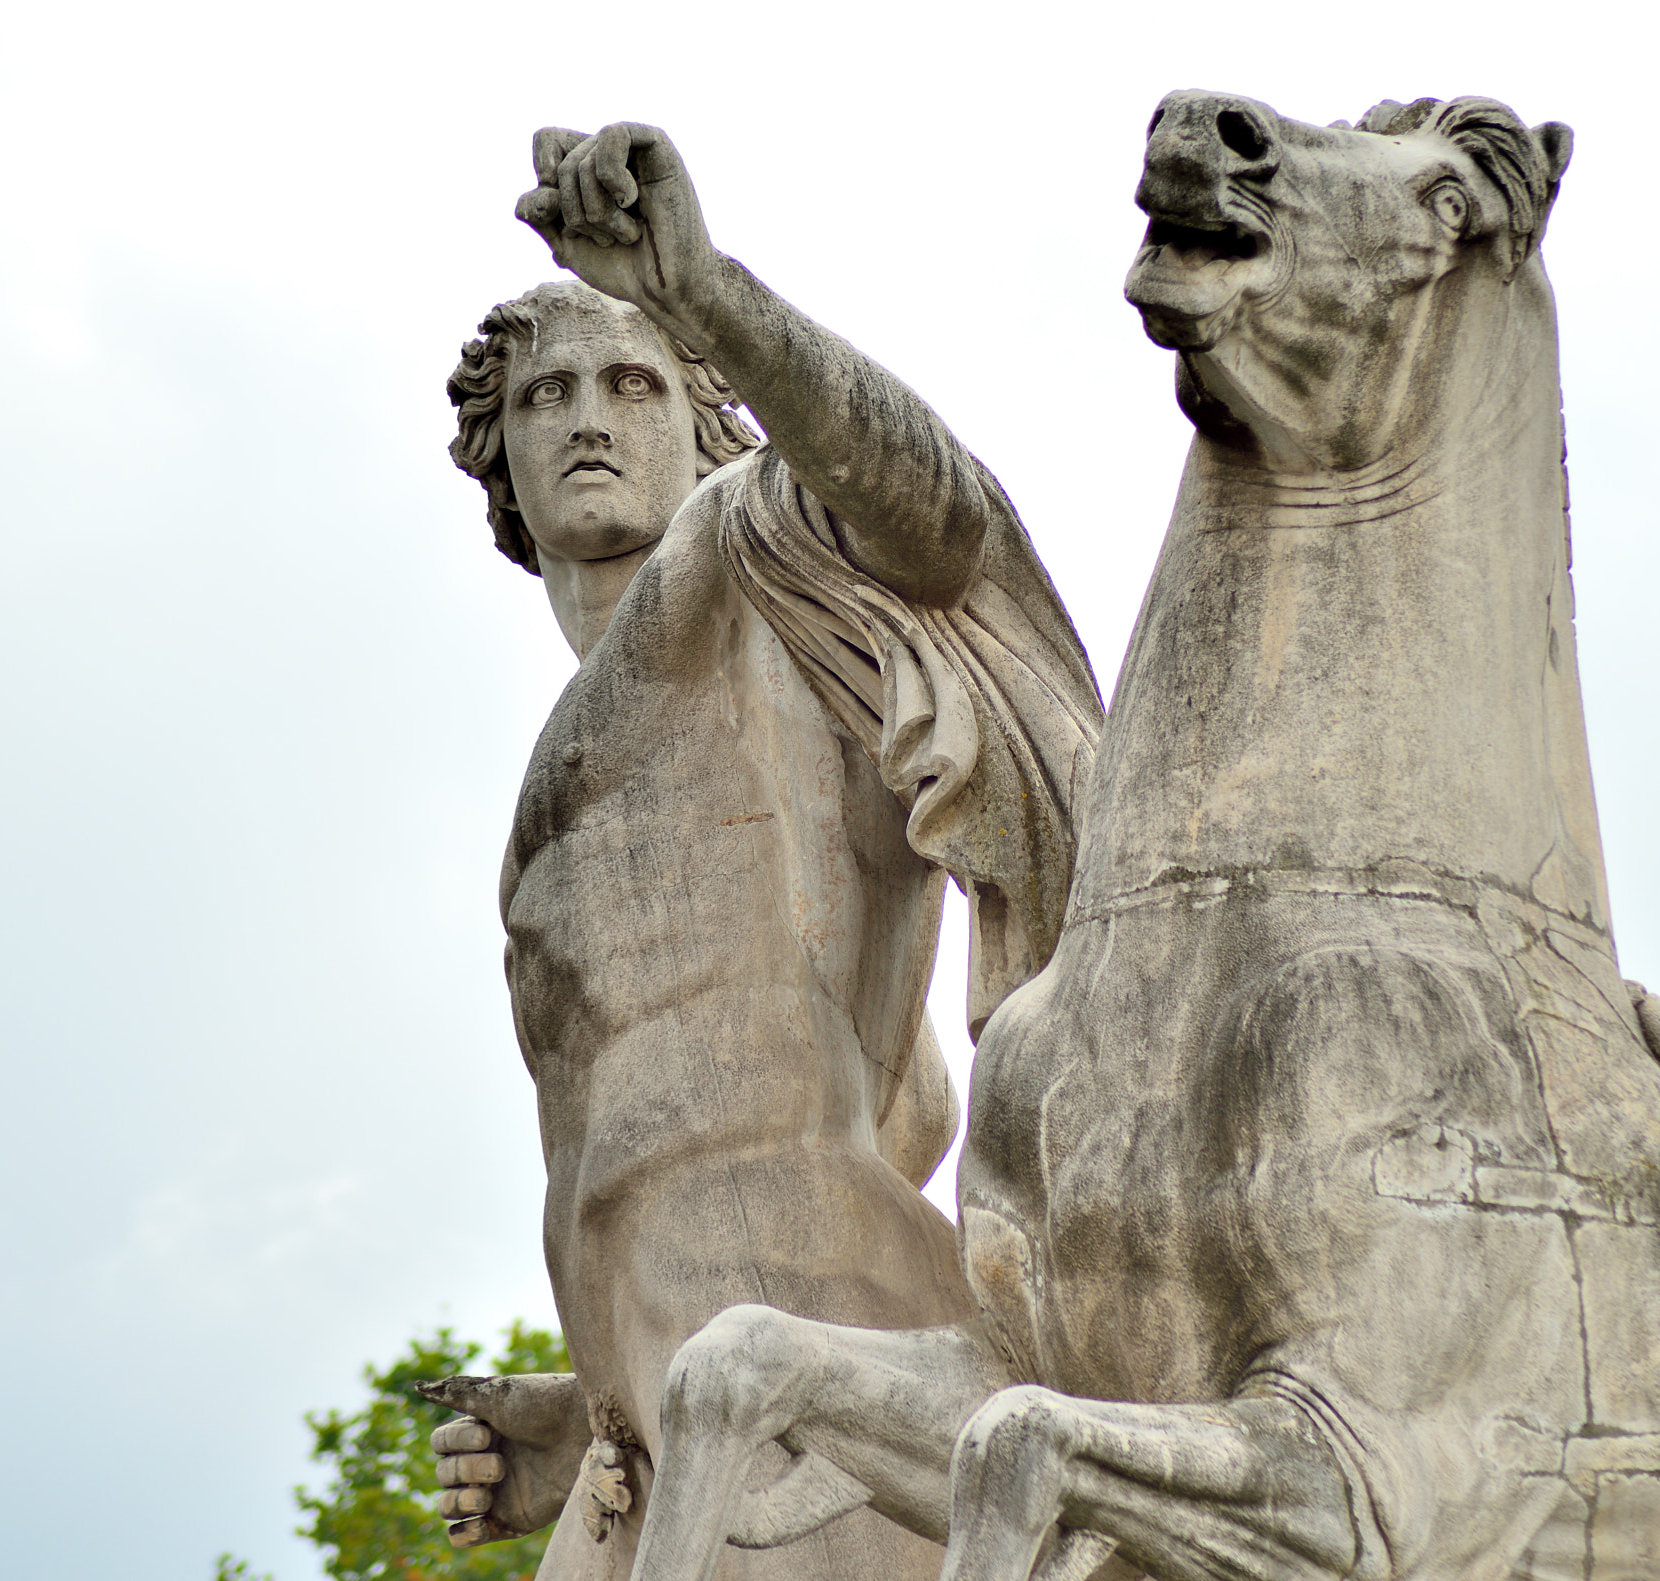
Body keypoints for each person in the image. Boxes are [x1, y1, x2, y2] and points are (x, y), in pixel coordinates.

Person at [421, 123, 1102, 1581]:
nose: (588, 414)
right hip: (651, 1437)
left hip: (814, 1398)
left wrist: (708, 292)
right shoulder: (545, 806)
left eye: (633, 380)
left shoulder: (760, 554)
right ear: (503, 462)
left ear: (703, 420)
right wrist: (585, 1391)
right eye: (547, 393)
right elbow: (904, 1101)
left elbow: (937, 518)